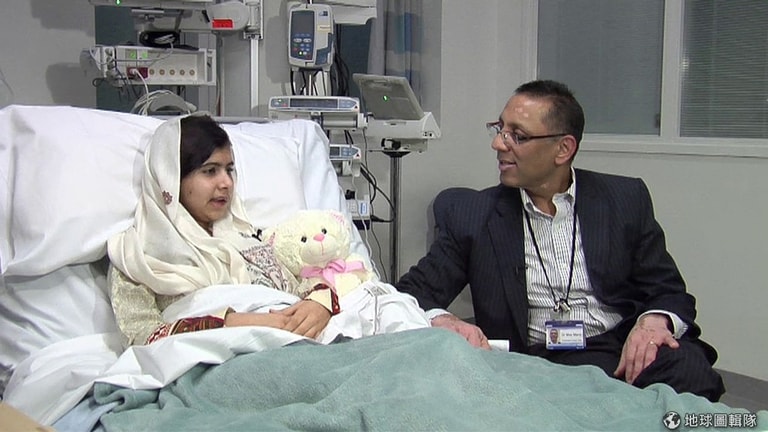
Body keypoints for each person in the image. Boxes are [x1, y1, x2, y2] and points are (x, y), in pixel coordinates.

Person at [395, 80, 725, 401]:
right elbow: (412, 292)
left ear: (563, 149)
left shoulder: (624, 199)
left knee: (691, 372)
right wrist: (444, 318)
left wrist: (654, 321)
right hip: (534, 359)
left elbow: (668, 290)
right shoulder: (474, 214)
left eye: (517, 136)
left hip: (619, 347)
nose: (498, 144)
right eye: (499, 129)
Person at [107, 114, 334, 346]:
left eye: (229, 170)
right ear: (171, 179)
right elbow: (142, 338)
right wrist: (234, 323)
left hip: (299, 345)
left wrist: (320, 304)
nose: (226, 183)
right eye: (210, 171)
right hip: (226, 358)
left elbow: (302, 287)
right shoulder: (136, 257)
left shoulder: (248, 239)